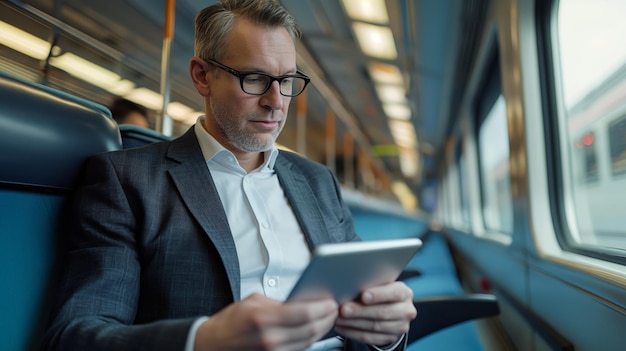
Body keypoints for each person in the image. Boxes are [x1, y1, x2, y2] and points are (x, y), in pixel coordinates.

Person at [42, 1, 417, 350]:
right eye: (255, 79)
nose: (276, 101)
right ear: (202, 77)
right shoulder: (128, 181)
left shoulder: (318, 182)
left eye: (286, 80)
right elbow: (77, 335)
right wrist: (203, 340)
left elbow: (365, 310)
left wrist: (384, 333)